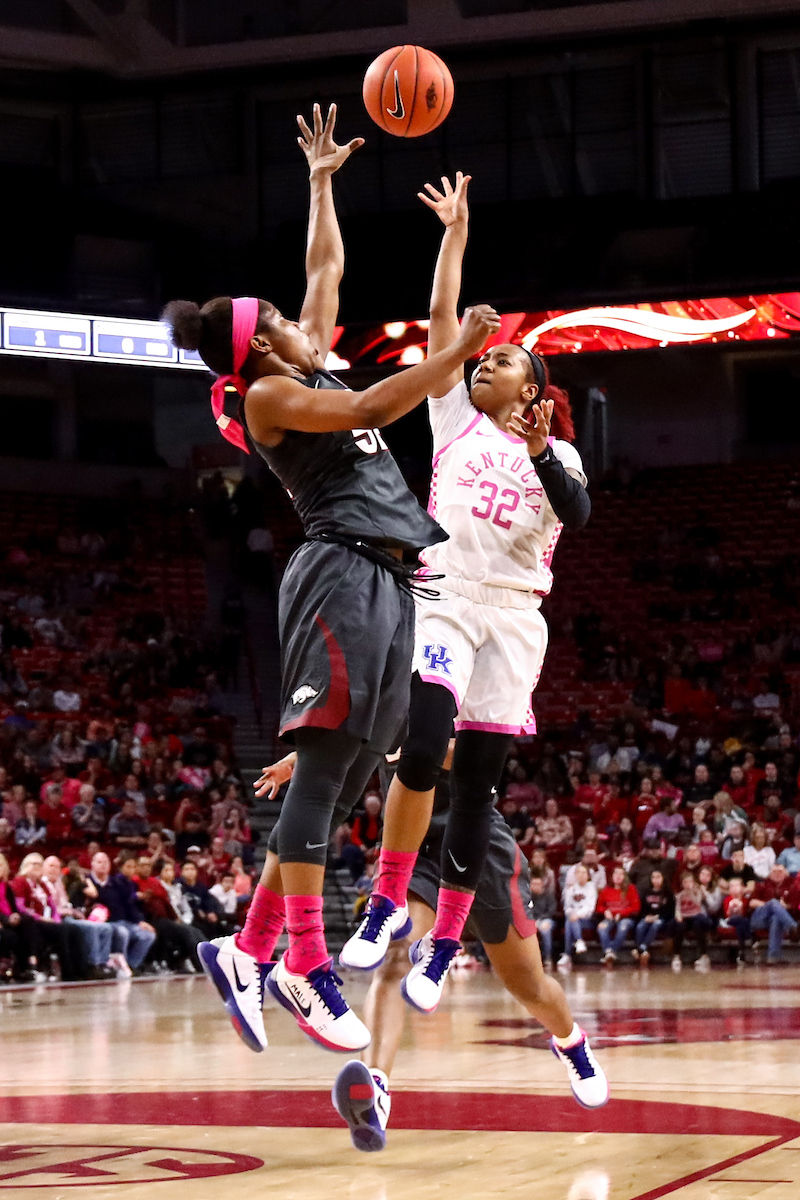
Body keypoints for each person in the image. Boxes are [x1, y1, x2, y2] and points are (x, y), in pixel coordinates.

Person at [167, 106, 500, 1055]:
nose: (292, 313)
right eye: (273, 318)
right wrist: (455, 355)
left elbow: (326, 273)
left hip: (389, 572)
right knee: (326, 771)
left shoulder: (290, 359)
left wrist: (321, 182)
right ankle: (303, 964)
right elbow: (365, 401)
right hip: (340, 566)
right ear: (259, 344)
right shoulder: (269, 394)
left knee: (357, 768)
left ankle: (250, 946)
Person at [341, 171, 589, 1014]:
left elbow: (579, 514)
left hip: (517, 616)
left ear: (532, 389)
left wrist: (547, 450)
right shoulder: (454, 420)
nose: (485, 363)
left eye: (504, 361)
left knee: (479, 784)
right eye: (483, 361)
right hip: (445, 592)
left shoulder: (560, 454)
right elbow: (445, 324)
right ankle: (383, 904)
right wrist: (455, 232)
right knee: (426, 740)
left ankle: (443, 947)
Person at [260, 744, 607, 1153]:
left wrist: (409, 742)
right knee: (393, 955)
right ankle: (376, 1088)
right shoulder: (390, 681)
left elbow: (477, 756)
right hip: (414, 842)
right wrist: (303, 758)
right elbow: (356, 732)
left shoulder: (474, 683)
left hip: (477, 838)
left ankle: (571, 1041)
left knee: (527, 984)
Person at [88, 851, 156, 974]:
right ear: (92, 864)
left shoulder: (116, 883)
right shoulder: (87, 881)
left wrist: (139, 921)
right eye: (99, 862)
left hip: (124, 920)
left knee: (148, 935)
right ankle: (119, 967)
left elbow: (128, 903)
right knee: (122, 933)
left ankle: (131, 965)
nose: (103, 865)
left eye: (105, 862)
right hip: (107, 921)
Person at [748, 863, 800, 964]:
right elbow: (752, 903)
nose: (777, 874)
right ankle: (793, 928)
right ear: (770, 874)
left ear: (785, 873)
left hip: (777, 918)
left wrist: (784, 907)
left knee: (776, 918)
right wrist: (772, 905)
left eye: (780, 871)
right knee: (773, 903)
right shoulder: (762, 884)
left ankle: (773, 957)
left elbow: (793, 906)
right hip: (759, 918)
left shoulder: (791, 886)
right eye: (774, 872)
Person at [595, 865, 640, 964]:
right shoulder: (606, 890)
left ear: (625, 876)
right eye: (616, 873)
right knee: (602, 928)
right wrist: (605, 911)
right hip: (610, 918)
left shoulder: (631, 889)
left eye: (621, 874)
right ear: (611, 876)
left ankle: (610, 952)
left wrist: (621, 913)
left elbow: (636, 907)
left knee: (623, 926)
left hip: (626, 918)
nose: (618, 876)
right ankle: (609, 952)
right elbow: (599, 907)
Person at [672, 872, 714, 971]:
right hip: (685, 917)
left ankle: (704, 955)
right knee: (679, 926)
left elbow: (697, 902)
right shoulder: (680, 895)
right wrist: (678, 915)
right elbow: (677, 908)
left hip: (696, 916)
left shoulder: (697, 892)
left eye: (690, 881)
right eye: (685, 882)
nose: (688, 884)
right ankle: (676, 955)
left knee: (698, 925)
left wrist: (692, 892)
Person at [558, 863, 597, 967]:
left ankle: (567, 954)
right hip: (574, 919)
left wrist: (577, 915)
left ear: (588, 875)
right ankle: (579, 942)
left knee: (570, 921)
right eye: (578, 872)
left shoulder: (591, 888)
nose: (581, 875)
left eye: (583, 872)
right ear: (575, 875)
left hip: (587, 919)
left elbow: (590, 908)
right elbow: (567, 907)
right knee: (570, 920)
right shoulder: (570, 889)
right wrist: (573, 914)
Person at [633, 869, 674, 965]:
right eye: (653, 877)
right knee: (640, 926)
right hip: (648, 916)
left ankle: (641, 948)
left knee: (656, 924)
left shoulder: (668, 894)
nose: (656, 879)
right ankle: (642, 950)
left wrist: (658, 917)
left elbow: (670, 911)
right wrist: (646, 916)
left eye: (658, 877)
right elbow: (642, 909)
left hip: (662, 918)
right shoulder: (645, 892)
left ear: (663, 879)